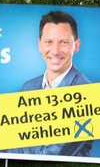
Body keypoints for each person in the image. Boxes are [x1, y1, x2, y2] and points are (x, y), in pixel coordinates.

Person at [11, 10, 92, 156]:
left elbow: (56, 154)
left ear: (76, 45)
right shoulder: (27, 88)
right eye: (49, 42)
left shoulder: (87, 94)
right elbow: (12, 148)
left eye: (64, 42)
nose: (55, 51)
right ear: (40, 45)